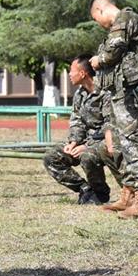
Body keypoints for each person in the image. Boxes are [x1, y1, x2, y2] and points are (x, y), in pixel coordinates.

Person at [88, 0, 138, 219]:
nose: (100, 25)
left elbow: (114, 48)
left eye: (96, 19)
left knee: (134, 140)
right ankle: (129, 193)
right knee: (129, 139)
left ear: (101, 10)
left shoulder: (124, 18)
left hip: (137, 90)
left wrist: (98, 60)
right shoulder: (134, 20)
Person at [42, 55, 111, 205]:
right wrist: (74, 142)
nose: (69, 75)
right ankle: (85, 189)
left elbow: (110, 126)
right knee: (52, 157)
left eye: (71, 71)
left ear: (82, 73)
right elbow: (77, 121)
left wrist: (87, 146)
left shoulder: (106, 92)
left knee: (87, 156)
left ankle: (100, 192)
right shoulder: (80, 94)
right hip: (84, 142)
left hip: (106, 142)